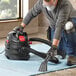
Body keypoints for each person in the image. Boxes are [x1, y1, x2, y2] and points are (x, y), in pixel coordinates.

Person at [16, 0, 76, 65]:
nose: (47, 7)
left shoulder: (64, 4)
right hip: (54, 24)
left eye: (49, 5)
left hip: (71, 20)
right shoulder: (41, 3)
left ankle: (73, 55)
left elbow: (60, 26)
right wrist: (21, 26)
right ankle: (62, 50)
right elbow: (31, 13)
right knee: (60, 50)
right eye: (45, 5)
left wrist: (54, 46)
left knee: (68, 26)